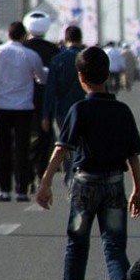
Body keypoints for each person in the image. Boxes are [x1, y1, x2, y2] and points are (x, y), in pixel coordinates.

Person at [36, 46, 140, 280]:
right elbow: (133, 153)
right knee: (114, 247)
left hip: (84, 185)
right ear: (108, 74)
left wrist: (45, 182)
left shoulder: (79, 109)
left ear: (81, 77)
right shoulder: (122, 110)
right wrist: (138, 189)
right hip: (113, 184)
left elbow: (62, 149)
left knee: (77, 246)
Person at [0, 21, 46, 202]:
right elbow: (42, 78)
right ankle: (22, 190)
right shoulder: (30, 55)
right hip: (24, 109)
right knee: (22, 149)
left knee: (3, 148)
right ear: (23, 36)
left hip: (2, 107)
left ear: (8, 35)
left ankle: (4, 190)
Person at [42, 25, 87, 187]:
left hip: (62, 112)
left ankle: (70, 181)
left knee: (64, 146)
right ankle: (79, 177)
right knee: (81, 146)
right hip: (84, 109)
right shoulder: (85, 59)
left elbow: (50, 90)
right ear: (80, 39)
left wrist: (46, 115)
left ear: (66, 39)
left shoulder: (57, 60)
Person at [22, 11, 60, 190]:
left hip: (23, 101)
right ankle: (40, 173)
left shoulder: (21, 47)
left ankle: (26, 174)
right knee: (45, 138)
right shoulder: (53, 49)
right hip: (45, 101)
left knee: (24, 138)